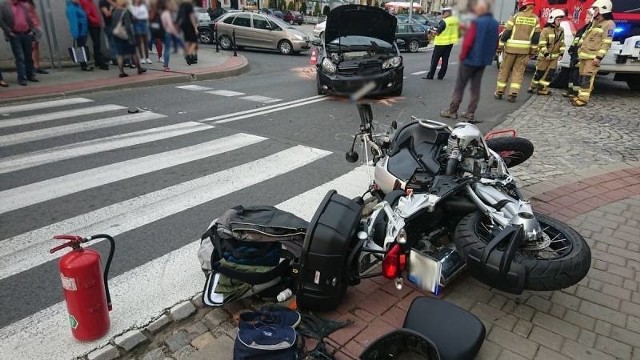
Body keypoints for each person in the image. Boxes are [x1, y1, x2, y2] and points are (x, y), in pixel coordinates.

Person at [439, 0, 498, 122]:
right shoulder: (494, 23)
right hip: (483, 61)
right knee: (475, 87)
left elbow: (468, 41)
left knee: (459, 86)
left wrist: (462, 56)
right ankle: (470, 113)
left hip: (469, 59)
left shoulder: (476, 22)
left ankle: (452, 110)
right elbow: (495, 42)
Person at [495, 0, 540, 102]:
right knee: (518, 72)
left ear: (523, 5)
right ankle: (513, 94)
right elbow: (536, 38)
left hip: (510, 49)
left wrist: (500, 47)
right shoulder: (535, 19)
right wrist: (532, 51)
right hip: (524, 51)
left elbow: (506, 33)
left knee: (504, 70)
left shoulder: (515, 16)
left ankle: (499, 92)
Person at [572, 0, 615, 107]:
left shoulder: (609, 24)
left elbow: (606, 43)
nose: (594, 11)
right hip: (584, 55)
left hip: (593, 58)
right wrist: (578, 48)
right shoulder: (595, 22)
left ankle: (583, 99)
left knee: (587, 78)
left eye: (596, 9)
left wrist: (599, 57)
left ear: (602, 10)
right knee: (582, 77)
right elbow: (585, 36)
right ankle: (580, 95)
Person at [527, 9, 565, 95]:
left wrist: (562, 53)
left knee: (549, 74)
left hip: (554, 58)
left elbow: (562, 42)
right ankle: (532, 86)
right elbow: (542, 43)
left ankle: (542, 89)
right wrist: (546, 53)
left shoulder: (561, 30)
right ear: (553, 19)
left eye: (560, 20)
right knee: (539, 72)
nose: (560, 21)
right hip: (544, 57)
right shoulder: (546, 30)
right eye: (558, 19)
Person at [0, 0, 38, 85]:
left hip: (27, 33)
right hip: (15, 35)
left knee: (28, 56)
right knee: (20, 57)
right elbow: (1, 20)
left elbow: (31, 18)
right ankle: (22, 77)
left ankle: (30, 74)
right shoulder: (4, 5)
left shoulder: (24, 5)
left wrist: (32, 31)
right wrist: (9, 32)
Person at [562, 11, 593, 99]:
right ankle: (570, 91)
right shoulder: (582, 29)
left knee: (576, 74)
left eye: (588, 17)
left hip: (581, 55)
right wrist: (571, 49)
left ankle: (575, 93)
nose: (586, 19)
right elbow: (576, 40)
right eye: (586, 17)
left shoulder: (590, 30)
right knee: (572, 74)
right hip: (575, 54)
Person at [422, 7, 459, 80]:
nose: (442, 14)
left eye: (443, 12)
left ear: (448, 13)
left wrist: (431, 31)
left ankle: (430, 75)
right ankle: (441, 76)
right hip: (450, 43)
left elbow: (437, 33)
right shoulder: (455, 20)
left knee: (434, 60)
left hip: (441, 43)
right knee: (445, 60)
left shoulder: (445, 21)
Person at [112, 0, 146, 77]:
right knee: (133, 52)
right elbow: (128, 27)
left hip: (117, 35)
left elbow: (113, 24)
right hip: (126, 36)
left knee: (120, 54)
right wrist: (131, 37)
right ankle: (139, 68)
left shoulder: (114, 12)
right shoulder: (125, 12)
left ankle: (121, 71)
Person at [79, 0, 109, 70]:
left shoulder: (90, 2)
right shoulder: (85, 2)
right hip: (92, 25)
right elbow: (87, 14)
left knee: (97, 43)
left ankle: (98, 61)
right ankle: (100, 62)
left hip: (95, 24)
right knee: (96, 43)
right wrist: (95, 21)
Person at [66, 0, 93, 71]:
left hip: (83, 31)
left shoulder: (77, 7)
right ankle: (83, 65)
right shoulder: (71, 8)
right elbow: (73, 22)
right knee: (80, 48)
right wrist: (75, 33)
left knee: (82, 47)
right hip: (80, 32)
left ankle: (84, 64)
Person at [23, 0, 47, 74]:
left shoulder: (29, 2)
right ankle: (31, 67)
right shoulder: (22, 4)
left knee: (35, 47)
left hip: (36, 27)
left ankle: (36, 66)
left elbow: (33, 14)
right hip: (30, 27)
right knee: (31, 47)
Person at [159, 0, 178, 71]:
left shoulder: (162, 13)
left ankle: (165, 63)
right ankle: (166, 66)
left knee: (165, 48)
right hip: (168, 33)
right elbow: (170, 25)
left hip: (163, 33)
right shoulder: (167, 14)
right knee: (167, 49)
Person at [176, 0, 197, 64]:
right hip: (189, 25)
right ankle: (188, 55)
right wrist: (195, 27)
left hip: (183, 25)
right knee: (194, 41)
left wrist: (177, 25)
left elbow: (178, 16)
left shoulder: (182, 5)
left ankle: (188, 56)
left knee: (187, 41)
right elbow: (191, 17)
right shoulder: (189, 5)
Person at [99, 0, 117, 64]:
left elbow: (119, 7)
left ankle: (122, 58)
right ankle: (114, 59)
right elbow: (107, 14)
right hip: (109, 25)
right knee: (112, 42)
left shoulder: (114, 1)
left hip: (117, 24)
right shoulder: (103, 2)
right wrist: (112, 9)